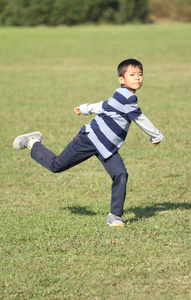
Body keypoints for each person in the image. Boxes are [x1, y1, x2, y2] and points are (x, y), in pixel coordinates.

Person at [13, 59, 164, 227]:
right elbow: (140, 119)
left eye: (140, 74)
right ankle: (32, 141)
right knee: (56, 166)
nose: (137, 78)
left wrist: (85, 108)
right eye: (132, 75)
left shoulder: (122, 95)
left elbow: (106, 105)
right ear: (121, 79)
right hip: (90, 139)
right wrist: (156, 136)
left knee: (120, 174)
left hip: (107, 147)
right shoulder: (127, 98)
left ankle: (115, 216)